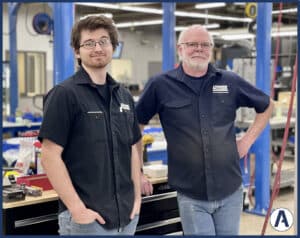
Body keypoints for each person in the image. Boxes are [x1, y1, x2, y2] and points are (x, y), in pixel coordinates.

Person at [135, 25, 274, 235]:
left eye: (204, 44)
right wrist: (138, 171)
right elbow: (135, 125)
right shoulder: (160, 85)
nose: (198, 49)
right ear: (180, 50)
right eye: (192, 44)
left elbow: (267, 105)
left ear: (211, 49)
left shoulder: (229, 81)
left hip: (230, 189)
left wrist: (247, 140)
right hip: (191, 194)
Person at [39, 16, 142, 235]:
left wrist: (137, 198)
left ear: (113, 47)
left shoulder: (123, 95)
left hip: (126, 216)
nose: (97, 48)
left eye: (104, 41)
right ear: (77, 52)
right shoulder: (65, 95)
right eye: (89, 43)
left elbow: (132, 147)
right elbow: (49, 156)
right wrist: (77, 209)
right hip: (88, 220)